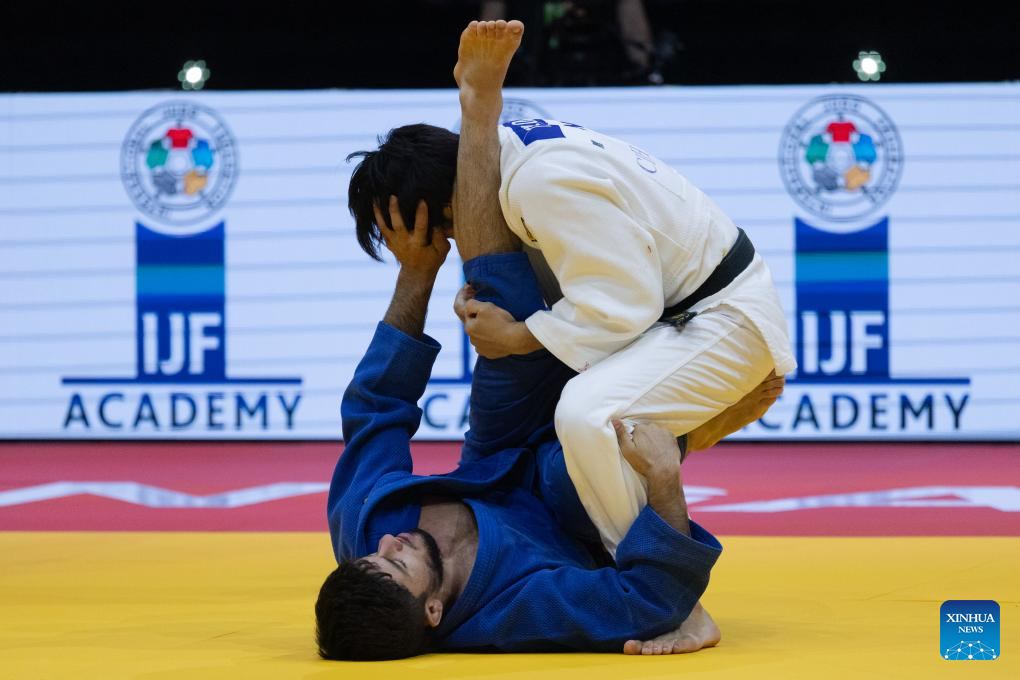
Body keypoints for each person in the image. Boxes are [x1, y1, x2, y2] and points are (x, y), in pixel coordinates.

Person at [318, 22, 786, 660]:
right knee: (582, 432)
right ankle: (676, 436)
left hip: (500, 451)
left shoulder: (364, 526)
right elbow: (645, 603)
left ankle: (478, 112)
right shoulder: (512, 611)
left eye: (373, 553)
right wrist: (665, 484)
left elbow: (375, 407)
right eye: (397, 563)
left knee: (494, 304)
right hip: (568, 489)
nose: (388, 544)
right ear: (433, 612)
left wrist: (419, 274)